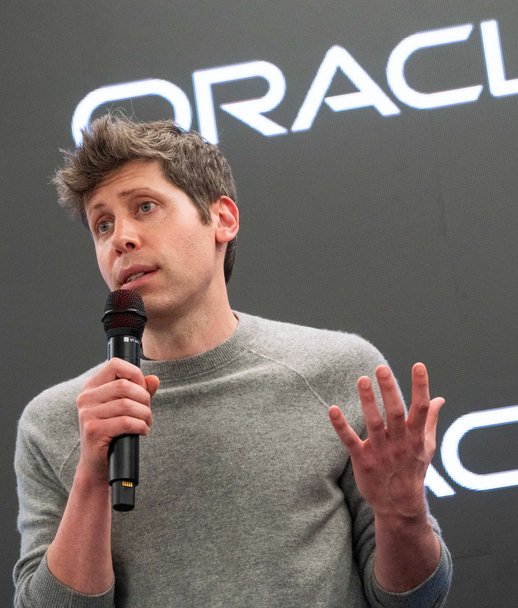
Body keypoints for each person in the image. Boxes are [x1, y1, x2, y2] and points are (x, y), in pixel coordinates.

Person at [13, 115, 452, 607]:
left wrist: (403, 514)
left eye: (145, 206)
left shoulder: (336, 370)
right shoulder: (55, 423)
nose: (121, 238)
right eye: (103, 224)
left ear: (222, 218)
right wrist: (92, 477)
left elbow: (414, 600)